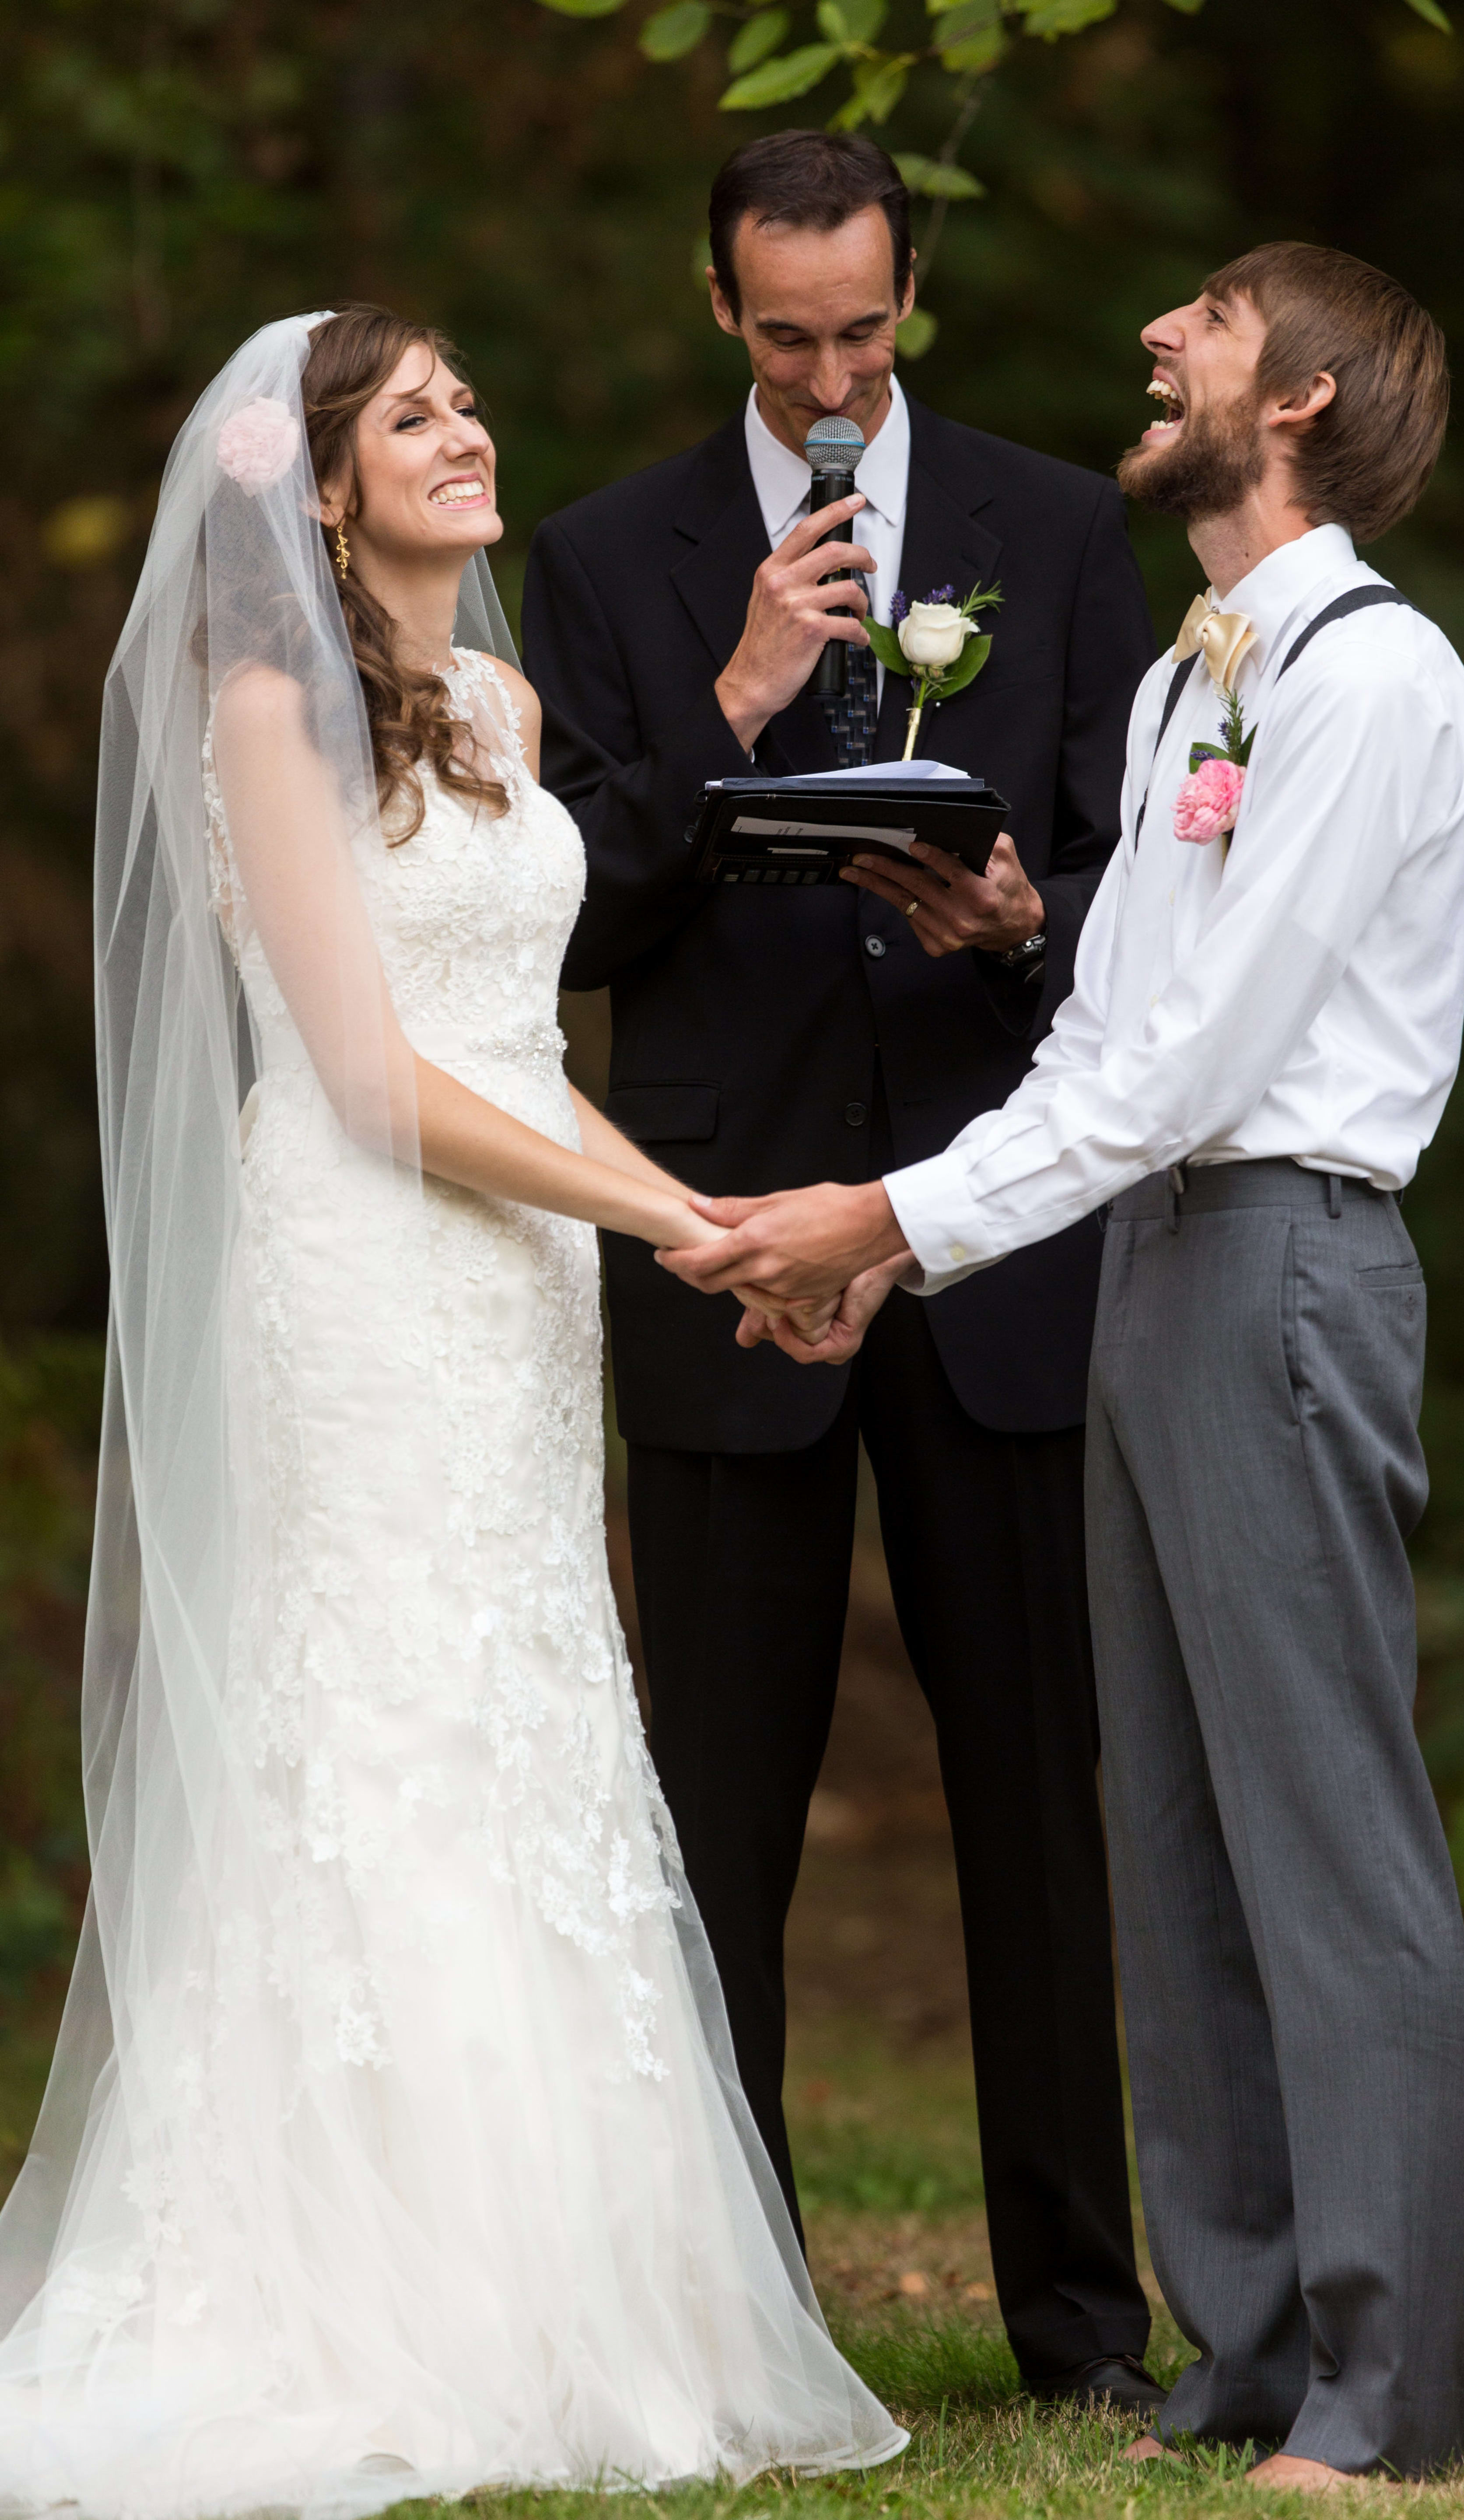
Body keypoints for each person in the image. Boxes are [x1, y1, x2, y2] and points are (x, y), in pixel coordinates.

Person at [0, 305, 906, 2513]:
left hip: (515, 1279)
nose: (468, 431)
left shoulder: (502, 703)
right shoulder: (260, 709)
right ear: (322, 490)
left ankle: (580, 2292)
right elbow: (373, 1077)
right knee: (387, 1715)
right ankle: (358, 2287)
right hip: (368, 1265)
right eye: (414, 418)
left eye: (473, 400)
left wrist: (691, 1213)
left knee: (536, 1712)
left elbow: (506, 1052)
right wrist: (684, 1233)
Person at [662, 242, 1464, 2485]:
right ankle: (1235, 2361)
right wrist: (898, 1257)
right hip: (1143, 1265)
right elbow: (1107, 1038)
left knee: (1324, 1830)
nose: (1157, 341)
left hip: (1291, 1264)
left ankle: (1387, 2387)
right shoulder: (1187, 685)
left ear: (1299, 395)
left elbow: (1205, 1065)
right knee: (1180, 1833)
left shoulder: (1380, 687)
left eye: (1207, 324)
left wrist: (889, 1215)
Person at [521, 128, 1163, 2412]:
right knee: (718, 1809)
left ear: (916, 302)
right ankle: (740, 2327)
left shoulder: (1063, 527)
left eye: (863, 332)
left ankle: (1084, 2329)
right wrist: (735, 696)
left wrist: (1027, 924)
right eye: (785, 335)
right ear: (721, 311)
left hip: (990, 1216)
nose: (825, 372)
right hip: (720, 1226)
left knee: (1039, 1794)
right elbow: (560, 920)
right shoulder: (601, 559)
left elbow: (1136, 889)